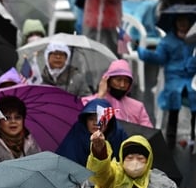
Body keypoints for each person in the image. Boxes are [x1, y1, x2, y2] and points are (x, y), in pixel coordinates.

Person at [138, 14, 196, 148]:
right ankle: (171, 137)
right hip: (174, 77)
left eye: (185, 21)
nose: (182, 24)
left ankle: (193, 137)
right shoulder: (168, 41)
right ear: (175, 22)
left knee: (194, 96)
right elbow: (159, 58)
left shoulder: (194, 39)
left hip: (191, 78)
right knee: (174, 96)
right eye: (179, 20)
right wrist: (143, 52)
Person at [0, 95, 42, 172]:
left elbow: (39, 167)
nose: (13, 121)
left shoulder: (30, 141)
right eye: (7, 118)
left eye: (17, 117)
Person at [57, 98, 128, 166]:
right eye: (91, 119)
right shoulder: (76, 135)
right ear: (85, 121)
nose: (96, 123)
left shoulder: (118, 136)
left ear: (109, 122)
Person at [82, 59, 153, 128]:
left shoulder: (138, 107)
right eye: (118, 80)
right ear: (108, 80)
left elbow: (148, 132)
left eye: (126, 81)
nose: (122, 85)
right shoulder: (87, 102)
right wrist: (100, 98)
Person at [87, 132, 154, 188]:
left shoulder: (154, 181)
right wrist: (99, 149)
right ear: (122, 159)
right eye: (130, 158)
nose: (135, 162)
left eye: (140, 158)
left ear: (148, 161)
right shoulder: (114, 173)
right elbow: (99, 174)